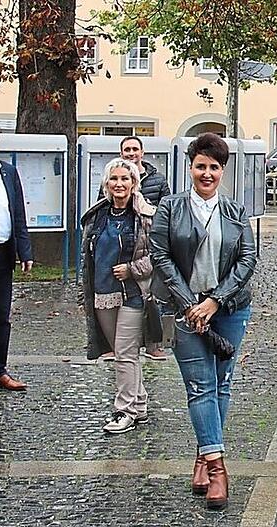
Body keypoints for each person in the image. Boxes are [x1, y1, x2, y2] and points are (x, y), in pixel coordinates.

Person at [149, 133, 257, 510]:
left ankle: (202, 454)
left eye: (214, 167)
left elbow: (247, 260)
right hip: (185, 311)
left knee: (222, 383)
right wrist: (190, 304)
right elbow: (160, 256)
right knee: (200, 386)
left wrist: (214, 301)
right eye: (200, 166)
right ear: (190, 167)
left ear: (222, 171)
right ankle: (217, 468)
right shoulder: (170, 207)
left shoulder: (235, 211)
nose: (206, 173)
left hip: (229, 309)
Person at [82, 158, 160, 433]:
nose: (119, 184)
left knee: (125, 353)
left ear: (134, 183)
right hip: (103, 293)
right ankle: (139, 404)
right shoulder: (97, 215)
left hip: (134, 293)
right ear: (106, 183)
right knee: (122, 352)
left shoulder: (145, 215)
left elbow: (159, 255)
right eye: (114, 179)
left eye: (124, 179)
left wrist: (132, 269)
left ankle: (123, 410)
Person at [98, 137, 172, 361]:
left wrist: (149, 210)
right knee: (123, 349)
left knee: (149, 307)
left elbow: (166, 210)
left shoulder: (157, 180)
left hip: (140, 268)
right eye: (126, 150)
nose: (131, 153)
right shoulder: (101, 211)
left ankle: (152, 346)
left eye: (134, 149)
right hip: (110, 279)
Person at [0, 155, 33, 391]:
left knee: (1, 315)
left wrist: (25, 250)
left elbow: (18, 214)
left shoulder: (8, 172)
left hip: (3, 252)